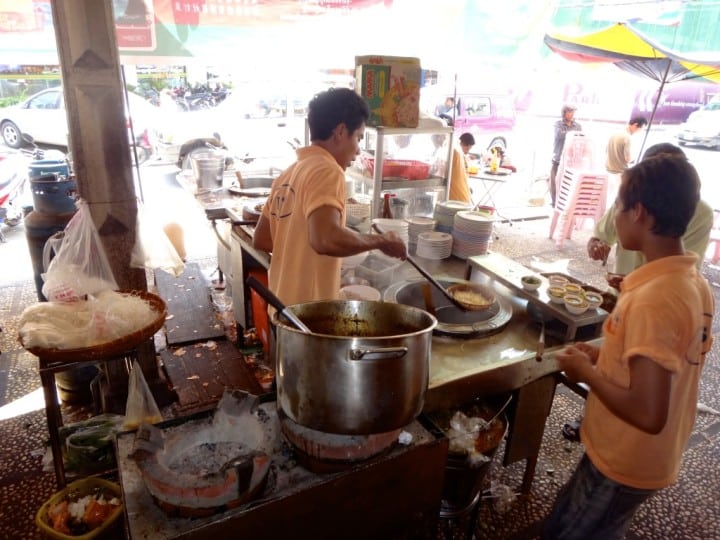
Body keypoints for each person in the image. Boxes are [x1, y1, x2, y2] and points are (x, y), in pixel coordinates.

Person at [543, 154, 714, 540]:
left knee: (566, 532)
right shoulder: (692, 282)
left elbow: (648, 410)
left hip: (626, 456)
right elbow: (666, 365)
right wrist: (603, 356)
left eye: (619, 206)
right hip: (652, 453)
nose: (614, 215)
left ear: (640, 214)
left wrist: (584, 373)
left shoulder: (655, 298)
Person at [252, 88, 407, 306]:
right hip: (310, 317)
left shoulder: (289, 173)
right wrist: (381, 241)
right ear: (341, 132)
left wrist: (305, 255)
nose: (358, 151)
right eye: (358, 138)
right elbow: (325, 239)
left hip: (282, 308)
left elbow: (262, 238)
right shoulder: (328, 170)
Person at [587, 142, 713, 288]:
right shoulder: (631, 196)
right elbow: (601, 236)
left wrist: (635, 284)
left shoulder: (701, 214)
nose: (618, 212)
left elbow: (681, 273)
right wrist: (596, 243)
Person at [605, 116, 648, 207]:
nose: (640, 132)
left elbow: (606, 150)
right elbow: (628, 158)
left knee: (607, 196)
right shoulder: (627, 138)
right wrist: (634, 158)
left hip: (609, 169)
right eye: (641, 129)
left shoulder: (615, 133)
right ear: (635, 125)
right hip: (619, 172)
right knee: (619, 198)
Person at [550, 104, 582, 206]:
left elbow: (580, 138)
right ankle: (554, 202)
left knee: (568, 182)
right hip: (558, 158)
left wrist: (571, 133)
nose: (571, 114)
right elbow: (559, 135)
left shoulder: (578, 126)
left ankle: (564, 202)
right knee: (554, 181)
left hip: (571, 160)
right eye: (569, 112)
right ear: (564, 113)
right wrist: (572, 133)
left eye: (573, 112)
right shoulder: (557, 124)